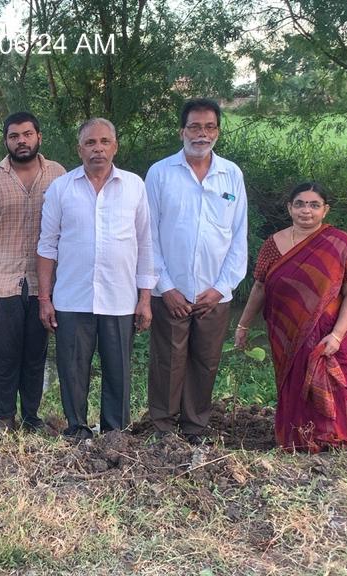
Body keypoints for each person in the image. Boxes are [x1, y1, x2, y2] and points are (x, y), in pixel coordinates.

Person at [36, 118, 156, 441]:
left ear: (115, 147)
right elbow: (47, 246)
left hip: (120, 299)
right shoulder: (62, 188)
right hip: (72, 298)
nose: (97, 149)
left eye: (104, 142)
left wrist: (145, 298)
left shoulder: (134, 186)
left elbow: (146, 244)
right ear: (80, 150)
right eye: (90, 143)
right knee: (73, 369)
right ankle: (77, 429)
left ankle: (115, 434)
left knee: (118, 370)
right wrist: (45, 299)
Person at [235, 182, 347, 452]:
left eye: (314, 205)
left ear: (325, 210)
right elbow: (260, 286)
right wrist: (243, 325)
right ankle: (297, 437)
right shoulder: (273, 244)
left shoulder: (341, 244)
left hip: (328, 330)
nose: (306, 211)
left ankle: (330, 436)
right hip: (284, 331)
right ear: (290, 208)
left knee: (327, 379)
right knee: (294, 383)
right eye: (299, 204)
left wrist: (337, 336)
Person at [145, 98, 248, 444]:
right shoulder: (160, 173)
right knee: (167, 361)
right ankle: (162, 427)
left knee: (205, 361)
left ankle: (194, 428)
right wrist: (166, 286)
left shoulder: (231, 174)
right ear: (182, 131)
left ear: (217, 131)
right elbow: (148, 235)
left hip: (213, 292)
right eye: (194, 126)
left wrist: (221, 287)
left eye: (209, 127)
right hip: (170, 291)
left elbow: (238, 236)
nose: (202, 134)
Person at [0, 111, 66, 432]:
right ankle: (4, 418)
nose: (21, 141)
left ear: (39, 137)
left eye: (27, 134)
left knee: (36, 354)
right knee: (6, 355)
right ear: (6, 141)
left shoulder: (58, 175)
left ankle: (31, 417)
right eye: (14, 136)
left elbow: (68, 229)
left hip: (44, 284)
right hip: (4, 282)